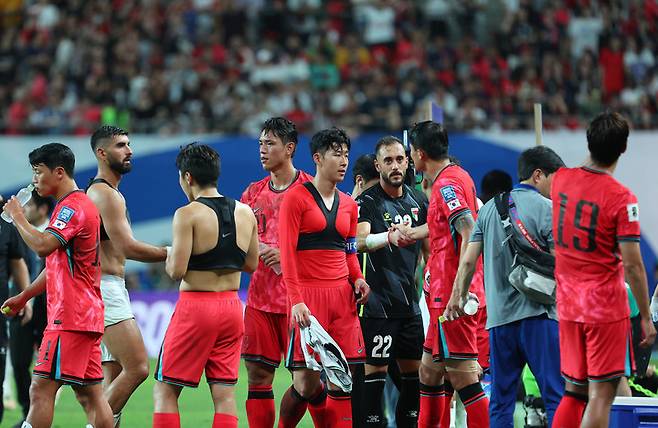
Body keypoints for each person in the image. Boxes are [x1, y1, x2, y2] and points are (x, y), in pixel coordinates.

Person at [445, 146, 566, 427]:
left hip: (499, 323)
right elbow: (562, 265)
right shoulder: (548, 209)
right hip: (540, 317)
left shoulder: (487, 210)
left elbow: (467, 262)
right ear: (538, 175)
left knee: (500, 402)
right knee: (555, 395)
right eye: (554, 179)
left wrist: (457, 298)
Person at [551, 112, 656, 427]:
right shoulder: (622, 199)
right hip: (604, 308)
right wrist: (647, 319)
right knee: (601, 395)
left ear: (588, 140)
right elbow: (634, 265)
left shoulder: (561, 180)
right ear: (623, 148)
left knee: (573, 392)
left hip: (568, 304)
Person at [1, 143, 113, 428]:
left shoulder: (73, 208)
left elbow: (41, 246)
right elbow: (54, 268)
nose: (35, 180)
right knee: (90, 396)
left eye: (39, 172)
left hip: (71, 318)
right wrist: (25, 295)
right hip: (83, 316)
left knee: (40, 389)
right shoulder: (72, 206)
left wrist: (17, 216)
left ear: (59, 173)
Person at [152, 143, 258, 428]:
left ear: (187, 177)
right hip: (233, 307)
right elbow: (251, 264)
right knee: (224, 394)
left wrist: (171, 252)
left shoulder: (187, 214)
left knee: (165, 390)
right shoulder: (246, 212)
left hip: (196, 308)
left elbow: (176, 271)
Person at [279, 127, 371, 427]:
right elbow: (287, 254)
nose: (344, 161)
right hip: (308, 299)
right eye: (336, 154)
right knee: (306, 385)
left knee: (343, 380)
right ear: (318, 158)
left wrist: (357, 278)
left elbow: (349, 249)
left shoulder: (349, 204)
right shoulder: (296, 198)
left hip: (342, 300)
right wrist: (296, 300)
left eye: (346, 154)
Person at [400, 121, 490, 427]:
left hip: (451, 295)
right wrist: (411, 233)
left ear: (421, 153)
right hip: (442, 294)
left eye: (411, 152)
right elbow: (444, 226)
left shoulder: (446, 185)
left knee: (464, 376)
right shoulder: (456, 176)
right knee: (429, 372)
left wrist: (458, 292)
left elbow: (468, 232)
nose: (410, 158)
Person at [85, 125, 167, 427]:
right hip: (106, 289)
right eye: (121, 145)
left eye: (129, 144)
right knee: (138, 368)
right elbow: (127, 247)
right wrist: (174, 252)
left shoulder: (102, 192)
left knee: (114, 377)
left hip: (103, 288)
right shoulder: (106, 195)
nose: (129, 151)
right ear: (101, 153)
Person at [239, 118, 313, 428]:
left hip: (299, 301)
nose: (263, 150)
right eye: (260, 144)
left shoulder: (310, 190)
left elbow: (326, 244)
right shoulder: (252, 194)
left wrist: (285, 256)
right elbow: (239, 242)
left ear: (290, 148)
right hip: (259, 300)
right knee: (258, 376)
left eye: (270, 143)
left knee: (307, 383)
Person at [355, 136, 428, 427]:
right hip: (377, 308)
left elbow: (427, 253)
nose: (395, 166)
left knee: (414, 379)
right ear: (378, 165)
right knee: (375, 377)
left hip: (409, 306)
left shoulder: (418, 201)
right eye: (388, 160)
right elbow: (358, 241)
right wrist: (388, 237)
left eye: (399, 159)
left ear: (408, 161)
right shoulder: (368, 202)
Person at [9, 190, 53, 426]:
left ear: (43, 209)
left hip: (48, 311)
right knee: (18, 363)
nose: (25, 209)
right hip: (21, 305)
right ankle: (28, 414)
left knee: (56, 370)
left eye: (30, 206)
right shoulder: (19, 233)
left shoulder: (54, 233)